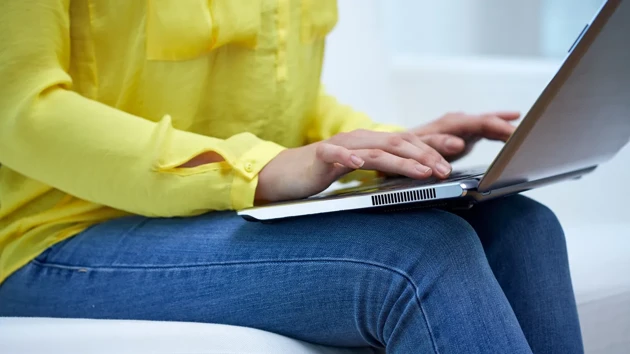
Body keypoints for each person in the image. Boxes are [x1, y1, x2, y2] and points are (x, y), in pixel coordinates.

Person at [0, 1, 583, 353]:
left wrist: (391, 145)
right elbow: (18, 110)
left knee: (518, 224)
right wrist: (257, 169)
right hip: (54, 236)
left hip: (208, 214)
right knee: (421, 255)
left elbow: (288, 105)